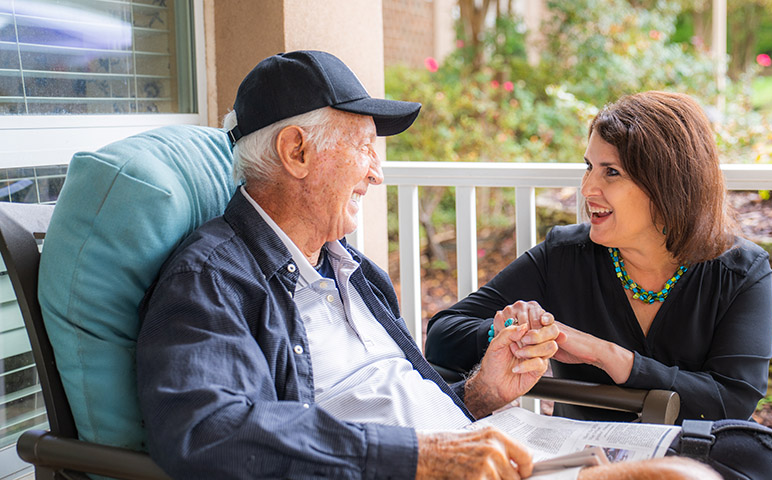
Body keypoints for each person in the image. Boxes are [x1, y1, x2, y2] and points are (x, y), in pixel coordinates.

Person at [136, 52, 717, 480]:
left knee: (715, 464)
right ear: (296, 152)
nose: (377, 172)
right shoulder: (215, 278)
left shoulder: (354, 273)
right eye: (363, 145)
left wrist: (478, 394)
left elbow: (394, 400)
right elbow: (205, 430)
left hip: (474, 458)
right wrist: (420, 457)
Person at [425, 91, 772, 480]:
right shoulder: (563, 255)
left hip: (697, 451)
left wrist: (613, 357)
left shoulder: (739, 269)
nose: (589, 188)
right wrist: (510, 331)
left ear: (668, 184)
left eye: (611, 172)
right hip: (590, 456)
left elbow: (731, 399)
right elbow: (442, 335)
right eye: (589, 167)